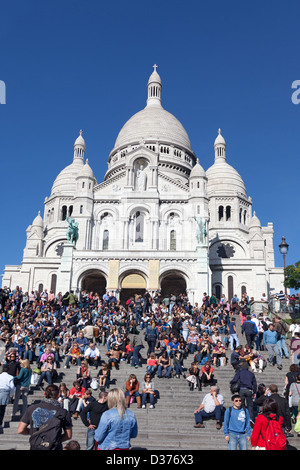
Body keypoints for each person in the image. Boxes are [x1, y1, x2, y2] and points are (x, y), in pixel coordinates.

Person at [17, 384, 72, 450]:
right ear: (58, 395)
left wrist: (33, 432)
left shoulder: (31, 408)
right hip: (54, 447)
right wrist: (53, 440)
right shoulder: (64, 412)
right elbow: (68, 435)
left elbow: (20, 430)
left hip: (36, 446)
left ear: (44, 394)